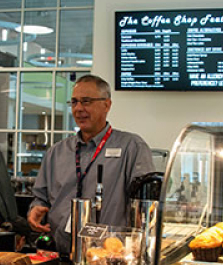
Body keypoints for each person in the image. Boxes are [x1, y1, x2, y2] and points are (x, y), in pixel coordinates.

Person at [27, 74, 155, 255]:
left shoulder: (131, 147)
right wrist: (35, 210)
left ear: (107, 105)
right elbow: (40, 198)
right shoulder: (56, 152)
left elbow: (146, 205)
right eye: (74, 102)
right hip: (61, 255)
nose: (79, 109)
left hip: (110, 258)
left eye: (86, 102)